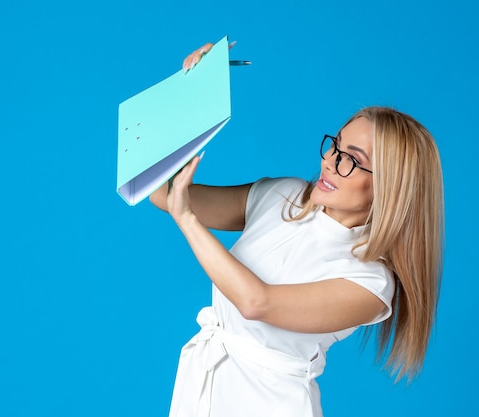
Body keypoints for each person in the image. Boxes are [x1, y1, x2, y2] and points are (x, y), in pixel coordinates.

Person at [149, 42, 444, 417]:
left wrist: (187, 219)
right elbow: (162, 193)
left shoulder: (370, 282)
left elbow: (257, 302)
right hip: (202, 392)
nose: (330, 162)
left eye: (352, 160)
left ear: (392, 188)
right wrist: (184, 99)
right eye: (335, 146)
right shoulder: (283, 195)